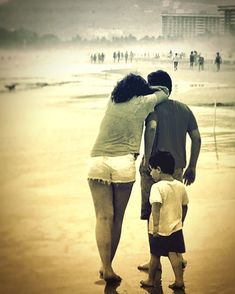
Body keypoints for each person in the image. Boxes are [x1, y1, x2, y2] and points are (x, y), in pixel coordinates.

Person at [87, 73, 169, 283]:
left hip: (97, 161)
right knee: (117, 218)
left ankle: (106, 266)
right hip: (123, 162)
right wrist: (151, 90)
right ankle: (107, 267)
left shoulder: (112, 100)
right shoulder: (144, 102)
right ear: (141, 90)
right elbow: (164, 93)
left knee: (102, 217)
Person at [138, 70, 201, 271]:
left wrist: (146, 159)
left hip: (154, 170)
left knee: (152, 215)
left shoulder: (152, 109)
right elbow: (197, 138)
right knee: (174, 215)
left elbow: (152, 128)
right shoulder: (184, 109)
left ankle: (154, 261)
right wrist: (192, 166)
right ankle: (178, 257)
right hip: (177, 170)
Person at [140, 151, 189, 289]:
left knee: (155, 255)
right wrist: (181, 221)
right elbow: (185, 206)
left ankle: (150, 279)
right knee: (174, 255)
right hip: (175, 227)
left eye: (152, 170)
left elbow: (155, 207)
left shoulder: (156, 187)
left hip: (160, 229)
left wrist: (155, 227)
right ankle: (179, 281)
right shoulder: (180, 185)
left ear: (159, 169)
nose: (150, 174)